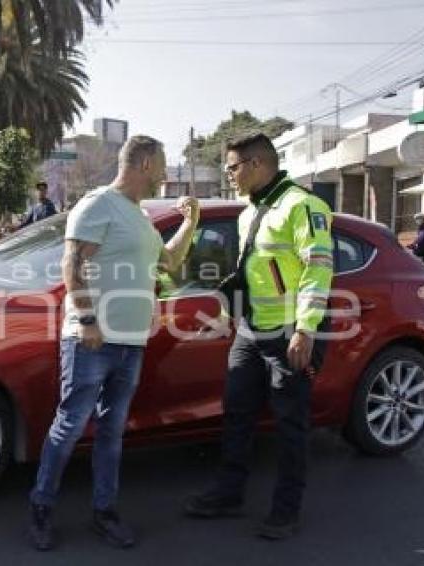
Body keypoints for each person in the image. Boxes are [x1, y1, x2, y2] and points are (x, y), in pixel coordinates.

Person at [27, 136, 199, 551]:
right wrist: (86, 318)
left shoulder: (139, 217)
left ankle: (105, 512)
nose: (164, 174)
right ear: (142, 163)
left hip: (131, 343)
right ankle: (41, 510)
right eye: (160, 165)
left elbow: (169, 262)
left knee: (112, 432)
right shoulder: (98, 204)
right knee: (69, 426)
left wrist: (190, 223)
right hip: (92, 340)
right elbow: (72, 263)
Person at [183, 133, 333, 541]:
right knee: (237, 413)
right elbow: (253, 271)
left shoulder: (303, 206)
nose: (229, 175)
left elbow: (318, 270)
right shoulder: (249, 212)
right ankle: (229, 493)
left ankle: (286, 510)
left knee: (290, 425)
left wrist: (306, 329)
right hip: (250, 331)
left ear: (255, 164)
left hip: (287, 334)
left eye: (232, 167)